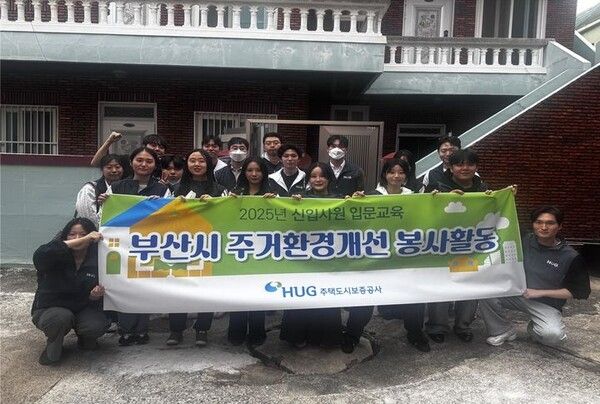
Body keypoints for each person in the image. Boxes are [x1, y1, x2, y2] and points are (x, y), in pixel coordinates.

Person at [479, 206, 591, 347]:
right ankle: (502, 330)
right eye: (539, 222)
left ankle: (536, 327)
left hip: (546, 303)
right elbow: (502, 217)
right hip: (516, 294)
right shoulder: (522, 240)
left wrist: (540, 292)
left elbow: (579, 292)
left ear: (560, 226)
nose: (543, 227)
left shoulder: (570, 256)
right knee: (485, 292)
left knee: (553, 337)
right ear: (533, 224)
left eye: (550, 223)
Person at [98, 147, 170, 346]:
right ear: (131, 162)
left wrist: (162, 205)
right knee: (124, 285)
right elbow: (103, 217)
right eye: (139, 160)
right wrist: (104, 202)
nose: (143, 164)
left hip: (149, 245)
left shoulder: (161, 189)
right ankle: (126, 329)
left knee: (144, 286)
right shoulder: (117, 187)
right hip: (122, 245)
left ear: (155, 165)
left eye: (149, 161)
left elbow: (169, 218)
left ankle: (142, 329)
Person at [424, 148, 487, 343]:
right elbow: (422, 211)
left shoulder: (483, 188)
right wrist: (439, 198)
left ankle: (463, 326)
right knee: (441, 286)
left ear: (476, 167)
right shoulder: (437, 185)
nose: (465, 168)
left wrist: (504, 197)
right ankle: (437, 326)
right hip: (441, 246)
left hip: (469, 247)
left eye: (470, 164)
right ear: (451, 168)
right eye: (459, 164)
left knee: (469, 287)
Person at [165, 149, 226, 347]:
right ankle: (176, 329)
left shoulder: (219, 189)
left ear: (208, 164)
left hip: (208, 245)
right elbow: (163, 215)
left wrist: (216, 205)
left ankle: (202, 329)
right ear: (187, 164)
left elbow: (227, 217)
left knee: (206, 288)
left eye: (201, 161)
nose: (197, 164)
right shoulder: (175, 189)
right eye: (192, 160)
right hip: (180, 244)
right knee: (178, 288)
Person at [279, 163, 343, 348]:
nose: (318, 179)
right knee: (302, 297)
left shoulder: (340, 199)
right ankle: (297, 336)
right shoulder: (300, 199)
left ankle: (326, 338)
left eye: (322, 176)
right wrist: (286, 204)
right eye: (313, 176)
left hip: (330, 257)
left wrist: (358, 201)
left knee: (327, 298)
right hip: (304, 258)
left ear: (329, 179)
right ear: (308, 180)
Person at [31, 218, 107, 365]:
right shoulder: (53, 254)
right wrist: (82, 239)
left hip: (82, 308)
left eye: (83, 234)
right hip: (51, 309)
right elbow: (39, 256)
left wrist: (94, 296)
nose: (77, 238)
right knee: (60, 318)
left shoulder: (98, 258)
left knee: (96, 325)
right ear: (65, 236)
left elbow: (95, 295)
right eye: (72, 234)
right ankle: (53, 348)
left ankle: (85, 339)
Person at [227, 157, 275, 346]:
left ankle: (257, 331)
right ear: (244, 173)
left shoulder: (273, 193)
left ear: (264, 173)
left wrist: (276, 202)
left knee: (257, 293)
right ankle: (236, 331)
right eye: (249, 170)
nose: (254, 174)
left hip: (263, 251)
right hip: (240, 249)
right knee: (238, 293)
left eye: (258, 170)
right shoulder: (234, 193)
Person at [76, 153, 125, 228]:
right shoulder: (90, 189)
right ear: (102, 170)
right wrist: (103, 206)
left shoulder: (128, 188)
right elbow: (88, 220)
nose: (114, 170)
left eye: (117, 167)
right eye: (109, 167)